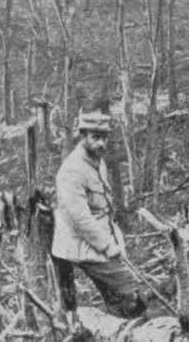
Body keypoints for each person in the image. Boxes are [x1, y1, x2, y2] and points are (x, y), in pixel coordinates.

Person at [51, 110, 146, 320]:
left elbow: (103, 208)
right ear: (82, 136)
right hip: (79, 243)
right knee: (129, 292)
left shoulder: (97, 161)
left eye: (104, 137)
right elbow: (80, 219)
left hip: (98, 238)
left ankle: (122, 328)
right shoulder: (72, 171)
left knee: (122, 297)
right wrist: (108, 246)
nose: (101, 143)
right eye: (95, 137)